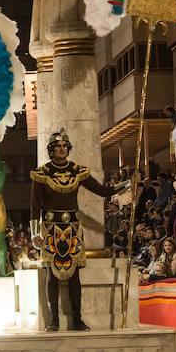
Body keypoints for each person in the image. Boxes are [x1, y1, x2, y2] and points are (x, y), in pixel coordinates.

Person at [31, 128, 116, 331]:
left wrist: (125, 186)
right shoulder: (42, 174)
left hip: (72, 229)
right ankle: (54, 321)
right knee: (51, 274)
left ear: (68, 149)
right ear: (51, 150)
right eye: (57, 146)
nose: (61, 149)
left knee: (74, 274)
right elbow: (35, 206)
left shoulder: (77, 171)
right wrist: (34, 232)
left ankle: (77, 320)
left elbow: (102, 191)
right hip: (50, 229)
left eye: (64, 146)